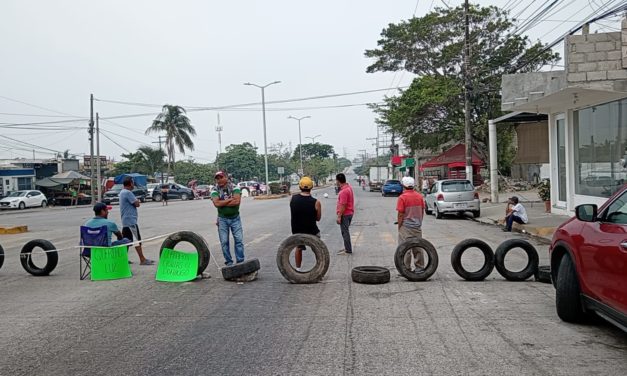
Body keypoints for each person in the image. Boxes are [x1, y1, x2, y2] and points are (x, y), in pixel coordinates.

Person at [211, 171, 245, 266]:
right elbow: (216, 204)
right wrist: (230, 199)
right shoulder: (214, 189)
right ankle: (229, 262)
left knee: (238, 240)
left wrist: (222, 202)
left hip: (235, 218)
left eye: (221, 177)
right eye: (217, 178)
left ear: (226, 177)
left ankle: (240, 261)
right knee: (224, 242)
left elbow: (237, 202)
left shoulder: (235, 187)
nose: (219, 180)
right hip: (222, 219)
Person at [119, 176, 154, 265]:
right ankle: (142, 259)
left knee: (126, 241)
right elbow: (137, 204)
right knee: (136, 241)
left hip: (126, 221)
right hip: (130, 221)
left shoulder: (122, 192)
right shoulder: (128, 193)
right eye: (133, 182)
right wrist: (137, 201)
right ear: (130, 183)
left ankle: (122, 259)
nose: (134, 184)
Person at [290, 177, 322, 272]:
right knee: (318, 248)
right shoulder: (316, 202)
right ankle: (320, 266)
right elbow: (318, 218)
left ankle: (298, 269)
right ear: (311, 187)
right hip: (311, 231)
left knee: (298, 248)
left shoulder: (293, 199)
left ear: (300, 187)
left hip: (297, 230)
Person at [396, 177, 426, 270]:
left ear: (404, 186)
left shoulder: (402, 197)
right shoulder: (419, 196)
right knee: (418, 246)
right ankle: (420, 267)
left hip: (406, 226)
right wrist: (419, 222)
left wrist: (399, 226)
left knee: (405, 248)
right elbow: (422, 211)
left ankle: (406, 268)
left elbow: (400, 214)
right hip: (417, 226)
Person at [336, 173, 354, 255]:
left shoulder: (343, 191)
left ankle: (348, 250)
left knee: (345, 232)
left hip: (345, 214)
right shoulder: (348, 187)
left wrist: (339, 216)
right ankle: (347, 248)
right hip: (349, 213)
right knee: (345, 231)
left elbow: (343, 205)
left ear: (338, 181)